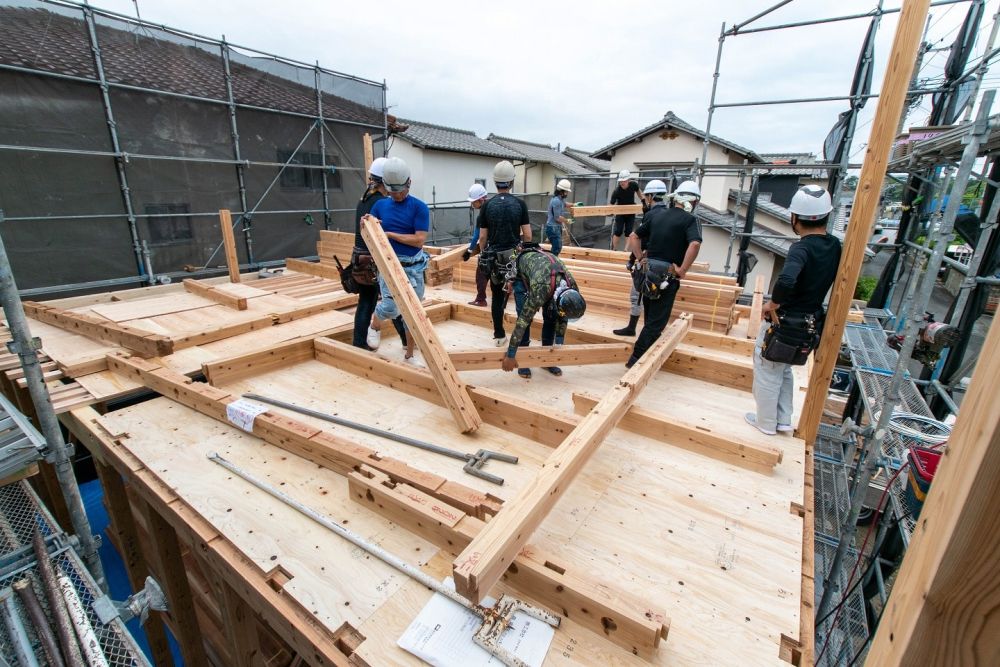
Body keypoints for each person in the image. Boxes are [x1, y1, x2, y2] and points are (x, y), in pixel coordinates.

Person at [746, 185, 842, 436]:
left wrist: (772, 304)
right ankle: (783, 420)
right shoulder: (834, 246)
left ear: (795, 218)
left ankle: (766, 423)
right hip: (809, 324)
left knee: (767, 369)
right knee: (784, 368)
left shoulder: (802, 248)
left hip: (786, 323)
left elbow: (787, 281)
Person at [624, 179, 703, 368]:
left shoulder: (656, 215)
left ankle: (647, 355)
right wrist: (682, 270)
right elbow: (695, 243)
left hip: (648, 271)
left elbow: (634, 236)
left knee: (651, 318)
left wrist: (640, 259)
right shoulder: (691, 220)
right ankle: (635, 361)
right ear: (693, 201)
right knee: (656, 323)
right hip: (666, 275)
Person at [363, 157, 430, 360]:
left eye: (400, 191)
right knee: (391, 308)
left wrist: (390, 234)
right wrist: (366, 225)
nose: (397, 196)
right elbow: (370, 234)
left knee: (413, 314)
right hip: (390, 265)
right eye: (393, 192)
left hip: (414, 267)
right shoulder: (380, 207)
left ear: (409, 183)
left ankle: (410, 354)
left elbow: (419, 240)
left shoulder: (419, 207)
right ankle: (375, 324)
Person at [499, 243, 587, 379]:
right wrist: (510, 355)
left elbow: (563, 315)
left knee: (551, 318)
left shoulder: (572, 286)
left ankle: (546, 360)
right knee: (526, 318)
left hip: (544, 275)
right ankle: (523, 361)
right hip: (522, 275)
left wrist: (558, 344)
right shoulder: (541, 289)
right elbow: (522, 322)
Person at [478, 160, 532, 345]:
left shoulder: (487, 205)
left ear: (495, 182)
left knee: (496, 297)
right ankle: (522, 339)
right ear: (511, 181)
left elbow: (482, 237)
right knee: (519, 295)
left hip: (494, 258)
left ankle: (499, 335)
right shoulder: (520, 204)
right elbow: (528, 234)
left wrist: (483, 253)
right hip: (514, 258)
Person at [351, 157, 387, 349]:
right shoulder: (379, 202)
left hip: (359, 256)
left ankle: (359, 340)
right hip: (369, 259)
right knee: (373, 301)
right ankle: (359, 343)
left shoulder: (363, 198)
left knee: (365, 300)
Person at [462, 183, 489, 306]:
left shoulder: (483, 214)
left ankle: (481, 299)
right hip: (503, 248)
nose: (472, 204)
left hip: (489, 250)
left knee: (481, 275)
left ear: (480, 200)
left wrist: (470, 251)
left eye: (473, 202)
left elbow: (478, 236)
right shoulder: (495, 207)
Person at [609, 169, 641, 251]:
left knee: (628, 232)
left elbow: (639, 193)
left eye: (624, 181)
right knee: (618, 231)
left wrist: (643, 201)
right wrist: (609, 211)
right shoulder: (617, 191)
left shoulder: (633, 185)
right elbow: (611, 204)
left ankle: (625, 250)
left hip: (631, 211)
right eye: (621, 181)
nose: (622, 183)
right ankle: (614, 249)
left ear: (628, 180)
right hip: (620, 212)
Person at [545, 179, 573, 256]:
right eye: (566, 191)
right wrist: (567, 220)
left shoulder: (560, 200)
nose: (567, 193)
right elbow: (557, 218)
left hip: (556, 227)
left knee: (557, 247)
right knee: (557, 247)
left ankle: (553, 262)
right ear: (562, 191)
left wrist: (574, 204)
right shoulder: (556, 201)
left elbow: (566, 204)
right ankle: (552, 264)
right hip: (553, 227)